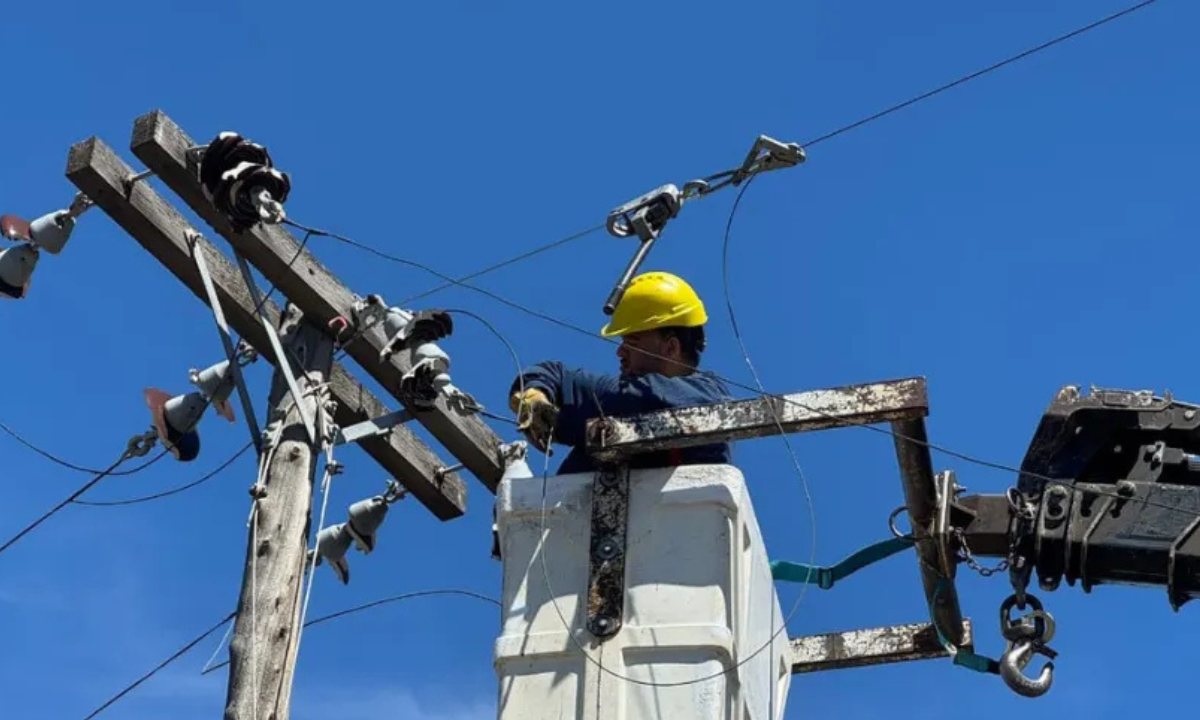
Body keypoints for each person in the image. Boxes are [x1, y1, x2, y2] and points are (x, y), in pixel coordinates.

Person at [508, 271, 733, 474]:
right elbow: (553, 373)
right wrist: (534, 396)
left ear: (670, 348)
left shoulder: (708, 394)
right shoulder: (619, 394)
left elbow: (638, 399)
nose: (620, 352)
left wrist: (567, 420)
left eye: (631, 342)